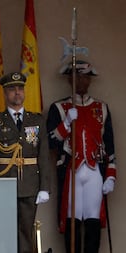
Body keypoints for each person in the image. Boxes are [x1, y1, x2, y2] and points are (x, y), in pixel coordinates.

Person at [47, 60, 116, 253]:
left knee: (93, 219)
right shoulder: (59, 108)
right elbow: (50, 142)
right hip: (71, 170)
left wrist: (111, 175)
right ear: (70, 79)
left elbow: (109, 145)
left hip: (95, 170)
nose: (82, 81)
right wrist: (66, 123)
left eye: (86, 77)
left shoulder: (101, 108)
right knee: (72, 220)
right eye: (78, 77)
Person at [0, 72, 50, 253]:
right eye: (12, 89)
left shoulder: (36, 120)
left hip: (29, 184)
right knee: (5, 232)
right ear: (5, 93)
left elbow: (43, 154)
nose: (17, 93)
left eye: (20, 88)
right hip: (4, 184)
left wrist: (44, 186)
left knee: (25, 232)